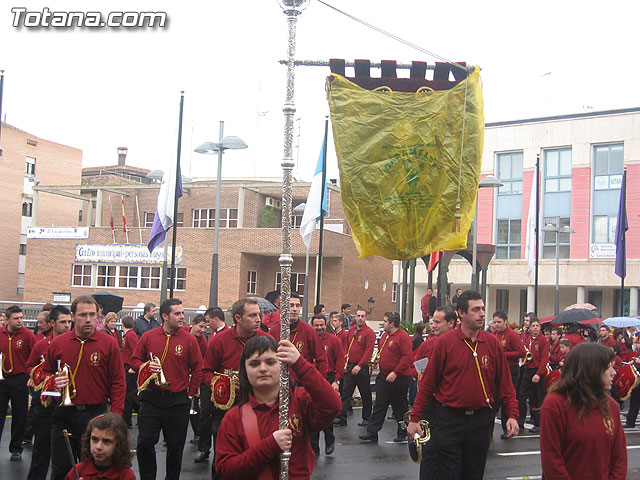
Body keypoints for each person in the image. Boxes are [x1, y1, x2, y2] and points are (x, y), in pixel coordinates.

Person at [408, 290, 519, 480]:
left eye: (483, 309)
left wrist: (513, 415)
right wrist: (414, 418)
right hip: (449, 421)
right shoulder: (444, 343)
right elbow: (428, 384)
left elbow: (506, 384)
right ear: (461, 313)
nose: (482, 314)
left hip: (481, 421)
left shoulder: (491, 343)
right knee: (449, 474)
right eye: (476, 309)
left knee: (474, 474)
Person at [215, 336, 341, 480]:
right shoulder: (233, 418)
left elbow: (332, 406)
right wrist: (270, 446)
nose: (263, 369)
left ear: (282, 365)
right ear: (244, 370)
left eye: (270, 362)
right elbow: (226, 471)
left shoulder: (299, 400)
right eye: (254, 364)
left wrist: (299, 363)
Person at [42, 295, 126, 480]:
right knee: (61, 470)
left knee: (93, 470)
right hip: (63, 414)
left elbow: (118, 381)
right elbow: (45, 372)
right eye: (82, 315)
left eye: (92, 314)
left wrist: (116, 415)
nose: (88, 320)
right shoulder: (58, 343)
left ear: (98, 316)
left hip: (95, 414)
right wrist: (53, 382)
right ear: (73, 316)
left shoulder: (108, 343)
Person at [131, 298, 203, 480]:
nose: (182, 317)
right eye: (177, 313)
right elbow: (134, 361)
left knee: (175, 447)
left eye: (182, 313)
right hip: (151, 398)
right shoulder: (148, 336)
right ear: (165, 316)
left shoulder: (189, 339)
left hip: (177, 400)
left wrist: (190, 393)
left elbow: (197, 367)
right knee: (145, 442)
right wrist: (146, 367)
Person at [202, 298, 271, 480]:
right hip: (225, 408)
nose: (259, 319)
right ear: (238, 318)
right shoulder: (220, 341)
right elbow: (206, 371)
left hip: (258, 407)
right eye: (253, 315)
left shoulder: (267, 341)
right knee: (223, 458)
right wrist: (220, 386)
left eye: (259, 315)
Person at [540, 343, 627, 479]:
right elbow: (551, 459)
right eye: (607, 367)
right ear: (591, 370)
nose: (613, 372)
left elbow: (619, 458)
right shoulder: (555, 404)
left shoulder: (612, 406)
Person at [25, 305, 72, 480]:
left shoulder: (73, 343)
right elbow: (29, 366)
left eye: (69, 321)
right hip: (45, 403)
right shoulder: (41, 345)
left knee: (64, 455)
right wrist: (37, 376)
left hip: (66, 404)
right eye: (63, 322)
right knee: (41, 451)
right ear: (52, 323)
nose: (67, 325)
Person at [359, 311, 412, 443]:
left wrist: (395, 372)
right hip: (383, 376)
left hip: (398, 377)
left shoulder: (403, 337)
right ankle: (372, 432)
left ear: (392, 324)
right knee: (379, 404)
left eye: (385, 321)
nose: (383, 323)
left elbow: (406, 358)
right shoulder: (385, 336)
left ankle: (403, 432)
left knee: (400, 406)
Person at [0, 305, 37, 461]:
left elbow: (34, 357)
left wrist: (31, 376)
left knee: (20, 415)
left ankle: (16, 448)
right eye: (16, 318)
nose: (20, 321)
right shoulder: (0, 334)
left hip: (20, 379)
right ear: (7, 319)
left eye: (21, 318)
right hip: (2, 380)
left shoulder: (28, 335)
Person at [269, 293, 328, 382]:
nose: (295, 309)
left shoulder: (308, 331)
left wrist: (320, 382)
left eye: (298, 306)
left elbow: (321, 359)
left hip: (302, 383)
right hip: (277, 382)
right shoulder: (274, 331)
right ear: (282, 308)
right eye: (291, 305)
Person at [195, 307, 228, 463]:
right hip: (208, 380)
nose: (206, 325)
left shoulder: (225, 335)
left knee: (216, 419)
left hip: (221, 383)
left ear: (216, 319)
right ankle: (204, 448)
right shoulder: (211, 335)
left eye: (208, 321)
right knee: (204, 413)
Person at [333, 307, 375, 427]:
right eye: (358, 316)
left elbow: (368, 351)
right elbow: (346, 346)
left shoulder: (369, 333)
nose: (360, 318)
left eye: (362, 316)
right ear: (355, 317)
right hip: (350, 365)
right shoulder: (351, 330)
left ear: (366, 318)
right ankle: (342, 417)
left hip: (362, 367)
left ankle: (367, 418)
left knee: (365, 393)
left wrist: (360, 365)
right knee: (346, 392)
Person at [309, 313, 343, 456]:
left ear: (326, 325)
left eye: (321, 325)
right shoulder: (309, 340)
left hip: (328, 378)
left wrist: (337, 380)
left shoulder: (334, 341)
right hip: (311, 378)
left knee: (326, 412)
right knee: (312, 413)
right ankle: (314, 447)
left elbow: (340, 361)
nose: (319, 328)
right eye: (316, 325)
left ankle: (329, 441)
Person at [64, 413, 135, 480]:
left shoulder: (125, 475)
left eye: (106, 441)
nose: (98, 447)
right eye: (94, 439)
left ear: (118, 445)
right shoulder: (78, 471)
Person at [491, 310, 526, 440]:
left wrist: (503, 355)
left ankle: (508, 429)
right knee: (494, 400)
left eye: (499, 322)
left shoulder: (512, 335)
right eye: (494, 322)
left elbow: (521, 352)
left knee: (507, 399)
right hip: (496, 370)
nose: (496, 325)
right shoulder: (494, 335)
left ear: (506, 322)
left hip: (511, 369)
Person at [518, 318, 549, 433]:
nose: (535, 327)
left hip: (537, 371)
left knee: (537, 398)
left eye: (537, 325)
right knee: (521, 395)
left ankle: (538, 423)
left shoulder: (543, 341)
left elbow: (544, 358)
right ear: (530, 328)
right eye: (533, 326)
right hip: (527, 369)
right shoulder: (528, 339)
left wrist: (538, 373)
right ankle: (520, 422)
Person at [185, 314, 208, 445]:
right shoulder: (182, 332)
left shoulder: (203, 342)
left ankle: (197, 432)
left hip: (194, 375)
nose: (203, 330)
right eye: (201, 327)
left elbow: (203, 363)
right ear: (193, 324)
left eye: (205, 327)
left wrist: (198, 384)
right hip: (183, 373)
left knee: (194, 406)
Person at [120, 315, 138, 429]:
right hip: (127, 366)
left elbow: (135, 351)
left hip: (130, 368)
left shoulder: (130, 336)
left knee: (129, 394)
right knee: (130, 393)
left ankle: (127, 419)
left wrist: (133, 366)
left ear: (122, 324)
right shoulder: (129, 335)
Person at [409, 322, 426, 405]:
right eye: (424, 328)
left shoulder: (415, 337)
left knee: (412, 381)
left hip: (413, 361)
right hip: (418, 361)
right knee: (416, 382)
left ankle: (412, 399)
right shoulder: (420, 339)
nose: (426, 330)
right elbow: (419, 351)